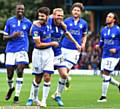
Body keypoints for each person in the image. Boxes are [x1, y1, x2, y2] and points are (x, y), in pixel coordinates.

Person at [52, 2, 88, 106]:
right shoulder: (65, 21)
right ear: (72, 11)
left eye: (78, 10)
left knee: (65, 71)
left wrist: (83, 43)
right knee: (63, 73)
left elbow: (84, 35)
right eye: (74, 10)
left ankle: (57, 94)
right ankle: (66, 80)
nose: (76, 12)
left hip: (74, 51)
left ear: (80, 12)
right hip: (63, 48)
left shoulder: (84, 23)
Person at [26, 7, 59, 107]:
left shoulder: (49, 20)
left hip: (48, 53)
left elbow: (56, 15)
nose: (40, 18)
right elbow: (39, 44)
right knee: (38, 79)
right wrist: (52, 43)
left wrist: (63, 24)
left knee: (47, 77)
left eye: (42, 16)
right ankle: (34, 98)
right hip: (38, 53)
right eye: (39, 16)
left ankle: (44, 100)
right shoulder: (36, 28)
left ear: (47, 17)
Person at [3, 3, 32, 104]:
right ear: (16, 10)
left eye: (22, 9)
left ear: (24, 11)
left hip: (22, 49)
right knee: (10, 74)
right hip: (10, 50)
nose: (20, 11)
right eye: (19, 9)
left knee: (20, 71)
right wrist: (13, 36)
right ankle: (11, 88)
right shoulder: (10, 21)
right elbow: (4, 37)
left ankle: (16, 96)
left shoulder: (28, 23)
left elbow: (32, 33)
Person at [96, 12, 120, 102]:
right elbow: (102, 41)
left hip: (114, 56)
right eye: (107, 16)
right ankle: (118, 85)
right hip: (105, 55)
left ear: (114, 20)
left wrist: (116, 49)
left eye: (110, 17)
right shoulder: (103, 30)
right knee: (104, 75)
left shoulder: (118, 30)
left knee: (106, 73)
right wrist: (98, 45)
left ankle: (103, 97)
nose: (107, 18)